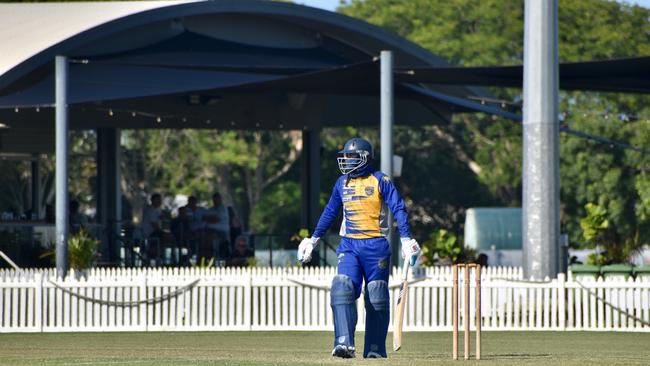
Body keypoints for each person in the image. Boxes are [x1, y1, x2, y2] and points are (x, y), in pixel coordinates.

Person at [297, 137, 420, 359]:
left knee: (376, 294)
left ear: (365, 158)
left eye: (352, 157)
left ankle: (374, 349)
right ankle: (344, 343)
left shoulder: (381, 180)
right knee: (342, 286)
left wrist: (406, 239)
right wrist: (313, 239)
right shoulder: (341, 182)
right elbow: (330, 212)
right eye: (346, 157)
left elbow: (399, 209)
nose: (347, 161)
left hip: (376, 245)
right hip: (349, 245)